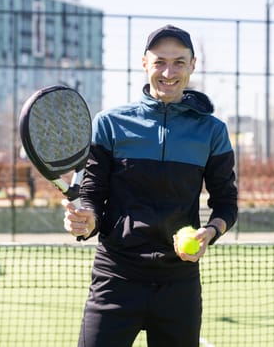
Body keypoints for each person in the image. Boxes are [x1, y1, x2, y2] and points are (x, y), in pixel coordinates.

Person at [62, 24, 238, 347]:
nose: (168, 72)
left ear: (192, 66)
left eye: (179, 62)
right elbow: (91, 195)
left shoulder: (212, 132)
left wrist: (209, 233)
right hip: (116, 278)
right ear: (145, 64)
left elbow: (226, 203)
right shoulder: (109, 124)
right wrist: (85, 219)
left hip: (178, 284)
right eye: (159, 62)